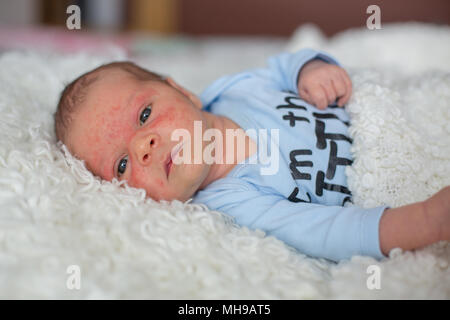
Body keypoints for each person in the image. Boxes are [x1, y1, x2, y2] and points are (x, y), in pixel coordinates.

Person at [54, 48, 450, 262]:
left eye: (144, 114)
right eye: (121, 164)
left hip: (403, 111)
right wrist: (425, 220)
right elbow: (329, 231)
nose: (143, 146)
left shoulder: (235, 91)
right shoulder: (234, 203)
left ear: (185, 93)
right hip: (398, 166)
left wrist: (309, 70)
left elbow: (281, 67)